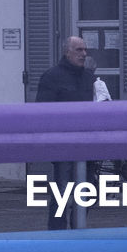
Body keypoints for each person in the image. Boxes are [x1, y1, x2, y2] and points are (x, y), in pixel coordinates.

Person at [35, 36, 95, 229]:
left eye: (85, 50)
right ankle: (57, 232)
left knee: (87, 191)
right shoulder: (52, 77)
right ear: (67, 52)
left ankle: (78, 229)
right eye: (79, 50)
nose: (84, 54)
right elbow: (43, 112)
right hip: (63, 145)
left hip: (86, 145)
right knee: (62, 191)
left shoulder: (89, 77)